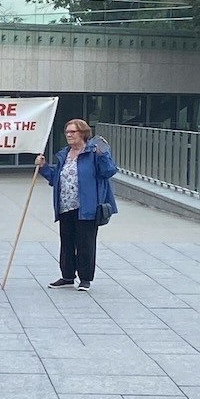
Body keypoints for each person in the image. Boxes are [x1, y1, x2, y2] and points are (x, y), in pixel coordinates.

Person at [40, 119, 119, 291]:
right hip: (65, 206)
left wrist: (103, 155)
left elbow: (109, 171)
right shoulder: (64, 154)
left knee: (85, 243)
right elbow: (56, 179)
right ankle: (67, 276)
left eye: (72, 132)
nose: (68, 135)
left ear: (83, 133)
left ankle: (85, 279)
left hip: (87, 207)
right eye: (67, 132)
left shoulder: (93, 153)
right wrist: (43, 167)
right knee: (66, 242)